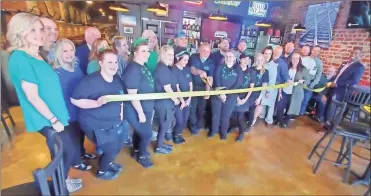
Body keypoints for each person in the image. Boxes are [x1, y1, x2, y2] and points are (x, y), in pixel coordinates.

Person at [7, 13, 82, 193]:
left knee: (65, 152)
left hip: (56, 113)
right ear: (20, 32)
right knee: (68, 152)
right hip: (46, 117)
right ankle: (59, 187)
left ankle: (61, 183)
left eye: (40, 29)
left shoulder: (38, 54)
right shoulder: (20, 57)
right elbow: (32, 96)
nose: (39, 33)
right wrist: (53, 119)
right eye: (31, 30)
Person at [71, 49, 126, 180]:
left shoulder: (117, 78)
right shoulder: (90, 81)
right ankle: (102, 171)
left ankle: (109, 162)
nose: (113, 65)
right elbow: (75, 100)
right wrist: (96, 103)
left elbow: (121, 97)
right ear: (101, 63)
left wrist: (121, 114)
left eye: (115, 62)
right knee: (110, 149)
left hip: (114, 121)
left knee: (118, 145)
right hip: (95, 123)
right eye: (109, 62)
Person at [53, 38, 93, 171]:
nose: (69, 53)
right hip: (67, 113)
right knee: (73, 138)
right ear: (58, 53)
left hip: (80, 109)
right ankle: (76, 162)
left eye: (71, 50)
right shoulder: (56, 72)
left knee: (80, 135)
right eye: (65, 51)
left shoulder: (75, 66)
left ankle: (81, 153)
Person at [317, 47, 365, 135]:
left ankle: (327, 129)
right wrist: (332, 82)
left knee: (332, 109)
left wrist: (337, 84)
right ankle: (324, 124)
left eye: (356, 53)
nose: (353, 54)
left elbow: (354, 81)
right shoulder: (344, 63)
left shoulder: (359, 67)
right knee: (325, 104)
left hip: (342, 91)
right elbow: (337, 76)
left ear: (361, 56)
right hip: (332, 87)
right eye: (352, 52)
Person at [122, 38, 154, 168]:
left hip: (145, 106)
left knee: (139, 131)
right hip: (135, 108)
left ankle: (136, 150)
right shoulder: (133, 70)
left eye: (148, 50)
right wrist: (140, 112)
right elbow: (132, 94)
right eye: (143, 51)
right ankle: (142, 156)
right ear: (135, 52)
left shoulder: (142, 65)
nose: (147, 53)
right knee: (147, 133)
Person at [154, 45, 180, 154]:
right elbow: (167, 89)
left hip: (165, 103)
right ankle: (158, 147)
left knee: (164, 125)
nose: (171, 57)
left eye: (172, 54)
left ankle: (160, 144)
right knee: (164, 125)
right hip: (163, 103)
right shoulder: (162, 68)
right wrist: (176, 100)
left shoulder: (164, 67)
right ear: (162, 54)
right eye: (169, 54)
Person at [209, 50, 242, 140]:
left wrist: (227, 94)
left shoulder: (238, 69)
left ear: (234, 58)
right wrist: (221, 93)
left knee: (225, 116)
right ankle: (214, 130)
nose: (228, 58)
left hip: (231, 96)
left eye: (230, 56)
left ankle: (223, 133)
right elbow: (217, 80)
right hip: (217, 95)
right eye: (226, 56)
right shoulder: (219, 67)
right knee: (215, 115)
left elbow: (238, 83)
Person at [276, 53, 310, 127]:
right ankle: (280, 120)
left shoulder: (304, 69)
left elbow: (308, 81)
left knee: (290, 108)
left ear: (299, 59)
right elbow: (281, 78)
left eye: (297, 58)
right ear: (291, 59)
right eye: (294, 58)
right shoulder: (286, 67)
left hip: (296, 92)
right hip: (285, 91)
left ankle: (285, 121)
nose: (295, 60)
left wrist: (303, 81)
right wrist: (280, 91)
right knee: (280, 106)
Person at [238, 53, 269, 134]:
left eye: (261, 60)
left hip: (256, 95)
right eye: (258, 60)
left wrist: (259, 98)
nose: (259, 62)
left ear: (264, 61)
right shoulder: (250, 69)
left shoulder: (265, 72)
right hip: (247, 92)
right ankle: (240, 125)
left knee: (252, 111)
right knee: (242, 110)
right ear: (255, 60)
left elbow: (264, 86)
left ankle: (248, 127)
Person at [189, 42, 215, 135]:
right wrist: (199, 71)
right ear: (199, 50)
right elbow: (192, 69)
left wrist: (207, 91)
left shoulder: (211, 62)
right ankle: (192, 126)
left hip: (203, 88)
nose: (206, 53)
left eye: (208, 51)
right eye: (203, 51)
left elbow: (210, 78)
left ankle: (198, 124)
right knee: (192, 109)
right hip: (192, 87)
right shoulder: (193, 57)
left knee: (201, 109)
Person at [233, 53, 259, 142]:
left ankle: (241, 133)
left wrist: (245, 99)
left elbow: (251, 87)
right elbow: (232, 85)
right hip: (234, 96)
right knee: (232, 115)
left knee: (240, 117)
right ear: (240, 59)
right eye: (244, 59)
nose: (245, 61)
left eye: (248, 60)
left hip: (245, 97)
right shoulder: (235, 69)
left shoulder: (251, 71)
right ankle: (232, 127)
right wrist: (237, 98)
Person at [172, 50, 193, 144]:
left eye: (187, 60)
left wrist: (189, 99)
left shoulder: (187, 69)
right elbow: (176, 88)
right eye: (184, 60)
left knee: (185, 119)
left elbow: (191, 84)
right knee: (179, 120)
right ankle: (175, 135)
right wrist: (182, 101)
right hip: (178, 100)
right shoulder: (173, 70)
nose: (186, 62)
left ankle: (179, 133)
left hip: (187, 100)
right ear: (178, 58)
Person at [255, 46, 277, 127]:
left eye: (269, 54)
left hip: (268, 88)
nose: (267, 55)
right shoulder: (260, 62)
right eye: (266, 53)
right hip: (259, 87)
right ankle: (260, 116)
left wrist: (268, 91)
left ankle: (269, 120)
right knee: (261, 104)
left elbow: (272, 80)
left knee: (269, 105)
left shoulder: (273, 65)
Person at [299, 45, 323, 116]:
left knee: (305, 100)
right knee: (298, 98)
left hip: (310, 84)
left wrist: (312, 84)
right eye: (314, 50)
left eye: (317, 51)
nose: (315, 52)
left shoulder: (319, 63)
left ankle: (300, 113)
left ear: (319, 53)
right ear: (311, 50)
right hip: (301, 81)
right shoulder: (304, 59)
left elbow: (318, 76)